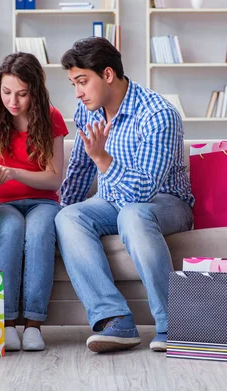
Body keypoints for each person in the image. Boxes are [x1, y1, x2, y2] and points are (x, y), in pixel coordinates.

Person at [55, 37, 194, 353]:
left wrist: (102, 158)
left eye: (82, 81)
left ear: (106, 75)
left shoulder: (158, 114)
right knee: (68, 216)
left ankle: (173, 325)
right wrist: (56, 210)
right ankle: (115, 320)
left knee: (133, 213)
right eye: (73, 83)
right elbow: (79, 167)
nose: (77, 92)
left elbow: (144, 191)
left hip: (165, 202)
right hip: (110, 201)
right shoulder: (88, 110)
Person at [0, 52, 68, 351]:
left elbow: (53, 179)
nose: (13, 101)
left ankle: (34, 325)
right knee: (10, 231)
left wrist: (15, 173)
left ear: (35, 91)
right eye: (7, 92)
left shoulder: (52, 117)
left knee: (38, 233)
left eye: (22, 94)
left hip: (42, 201)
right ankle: (6, 323)